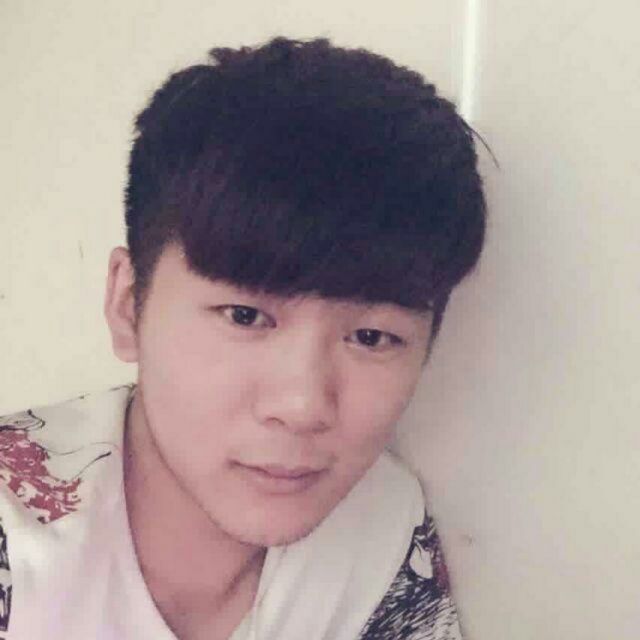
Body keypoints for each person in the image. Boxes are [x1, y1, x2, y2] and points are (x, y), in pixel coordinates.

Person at [0, 36, 486, 639]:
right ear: (128, 306)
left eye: (370, 336)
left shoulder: (380, 534)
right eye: (245, 317)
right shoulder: (18, 537)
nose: (302, 406)